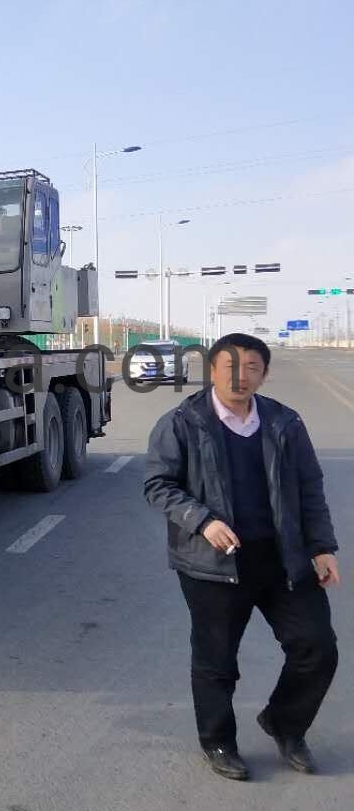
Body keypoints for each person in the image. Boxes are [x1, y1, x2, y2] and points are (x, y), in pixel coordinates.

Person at [144, 333, 339, 780]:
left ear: (264, 374)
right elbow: (158, 485)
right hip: (213, 565)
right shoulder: (182, 422)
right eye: (230, 366)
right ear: (212, 370)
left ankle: (285, 723)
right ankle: (218, 741)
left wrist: (323, 547)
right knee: (217, 661)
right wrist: (203, 520)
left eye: (252, 367)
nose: (240, 375)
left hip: (282, 560)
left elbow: (310, 488)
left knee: (317, 647)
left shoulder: (284, 423)